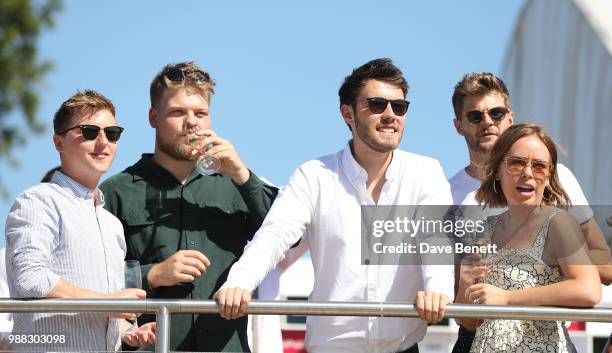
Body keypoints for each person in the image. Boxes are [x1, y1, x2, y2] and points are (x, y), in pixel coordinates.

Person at [215, 58, 455, 353]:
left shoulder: (426, 173)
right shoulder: (313, 175)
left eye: (400, 107)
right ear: (348, 114)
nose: (391, 114)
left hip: (404, 347)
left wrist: (438, 291)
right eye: (377, 105)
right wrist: (238, 282)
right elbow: (274, 235)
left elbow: (436, 240)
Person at [100, 61, 278, 352]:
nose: (191, 122)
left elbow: (287, 236)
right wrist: (152, 274)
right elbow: (91, 278)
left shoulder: (236, 183)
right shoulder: (116, 191)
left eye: (200, 113)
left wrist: (242, 174)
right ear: (153, 117)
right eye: (178, 112)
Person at [448, 72, 612, 353]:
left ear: (509, 116)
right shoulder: (449, 199)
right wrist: (465, 283)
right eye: (475, 116)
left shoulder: (559, 200)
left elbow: (601, 273)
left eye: (496, 113)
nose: (487, 122)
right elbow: (466, 311)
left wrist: (551, 261)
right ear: (459, 124)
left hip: (541, 340)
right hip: (477, 341)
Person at [4, 90, 155, 352]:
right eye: (88, 132)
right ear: (59, 143)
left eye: (112, 133)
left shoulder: (111, 223)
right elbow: (31, 277)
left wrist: (128, 330)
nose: (103, 142)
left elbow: (107, 308)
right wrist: (107, 302)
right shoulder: (38, 200)